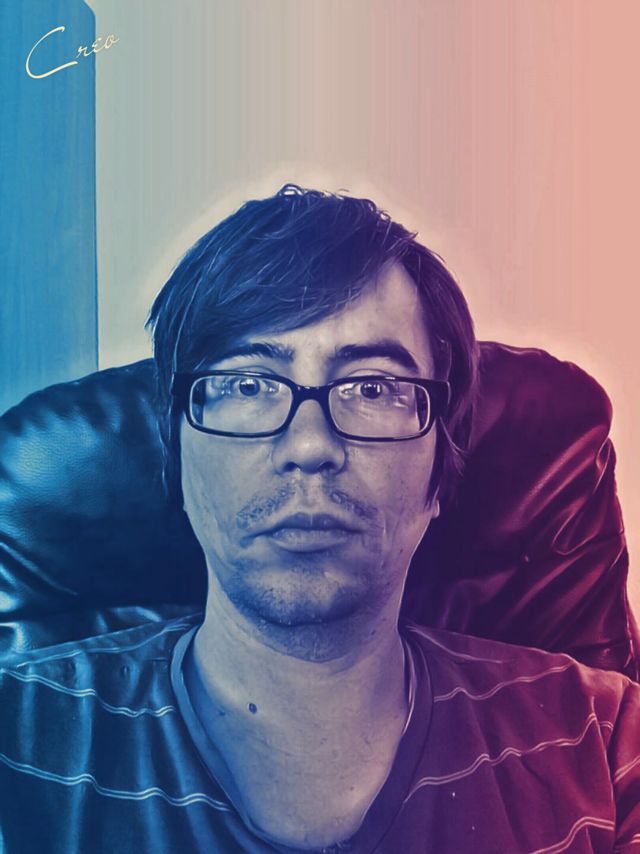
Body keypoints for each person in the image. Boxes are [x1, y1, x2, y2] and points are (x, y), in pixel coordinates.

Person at [1, 185, 639, 853]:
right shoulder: (18, 743)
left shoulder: (606, 744)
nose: (309, 446)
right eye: (247, 384)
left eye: (373, 387)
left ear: (438, 473)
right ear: (178, 458)